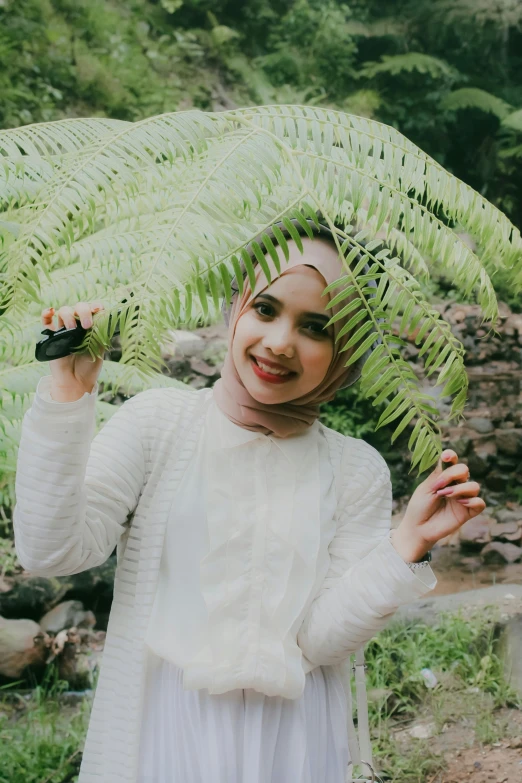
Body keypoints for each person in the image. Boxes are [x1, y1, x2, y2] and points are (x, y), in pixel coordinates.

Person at [13, 228, 485, 783]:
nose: (281, 342)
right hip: (161, 734)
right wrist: (67, 394)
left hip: (294, 742)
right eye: (265, 308)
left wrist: (406, 545)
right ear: (237, 306)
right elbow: (51, 550)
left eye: (316, 328)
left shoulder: (354, 470)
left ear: (347, 349)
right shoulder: (158, 425)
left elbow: (322, 641)